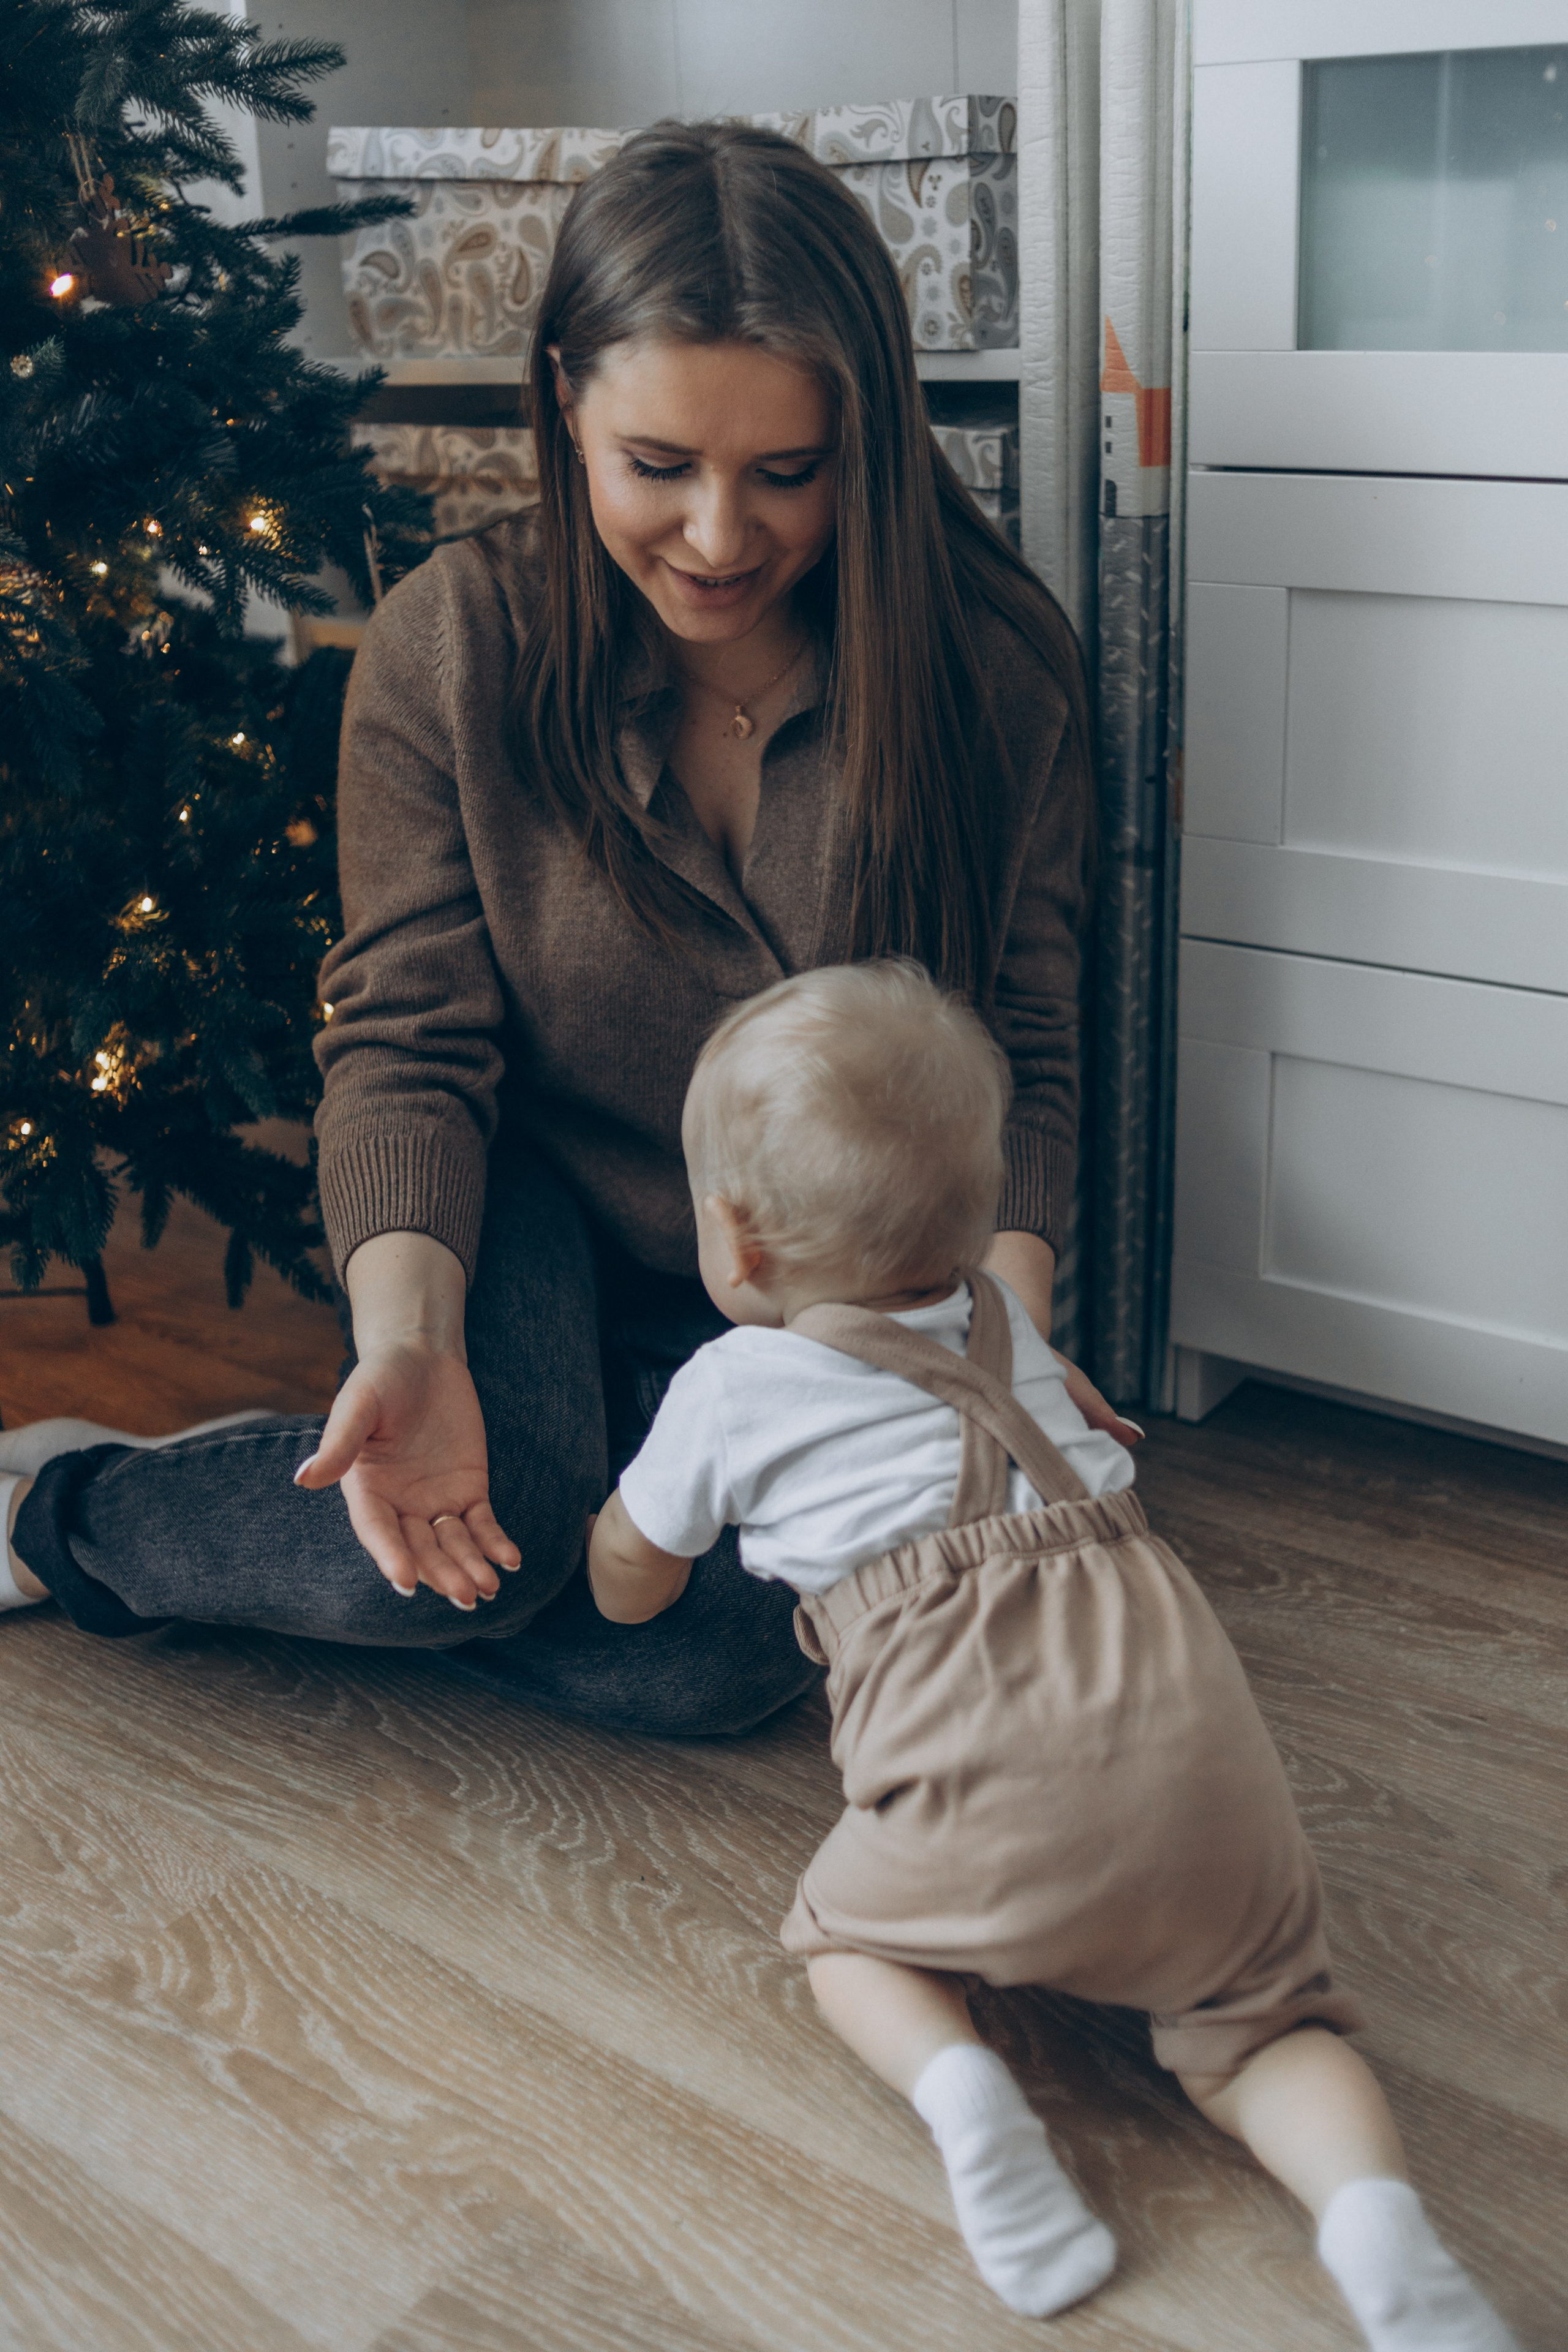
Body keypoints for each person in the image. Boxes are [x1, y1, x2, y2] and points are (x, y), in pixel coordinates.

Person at [1, 119, 1132, 1721]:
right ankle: (70, 1513)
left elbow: (1023, 1051)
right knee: (415, 1550)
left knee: (715, 1661)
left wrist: (995, 1350)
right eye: (659, 467)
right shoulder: (447, 651)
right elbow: (404, 1044)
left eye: (787, 473)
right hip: (516, 1197)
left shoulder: (999, 674)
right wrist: (408, 1343)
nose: (723, 538)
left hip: (819, 1272)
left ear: (865, 444)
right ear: (564, 413)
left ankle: (524, 1464)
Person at [586, 960, 1520, 2349]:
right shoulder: (1006, 1326)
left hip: (984, 1796)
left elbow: (629, 1575)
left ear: (734, 1239)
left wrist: (626, 1563)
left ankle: (967, 2098)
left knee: (842, 1940)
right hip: (1196, 1750)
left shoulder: (730, 1389)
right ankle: (1375, 2224)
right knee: (1262, 2029)